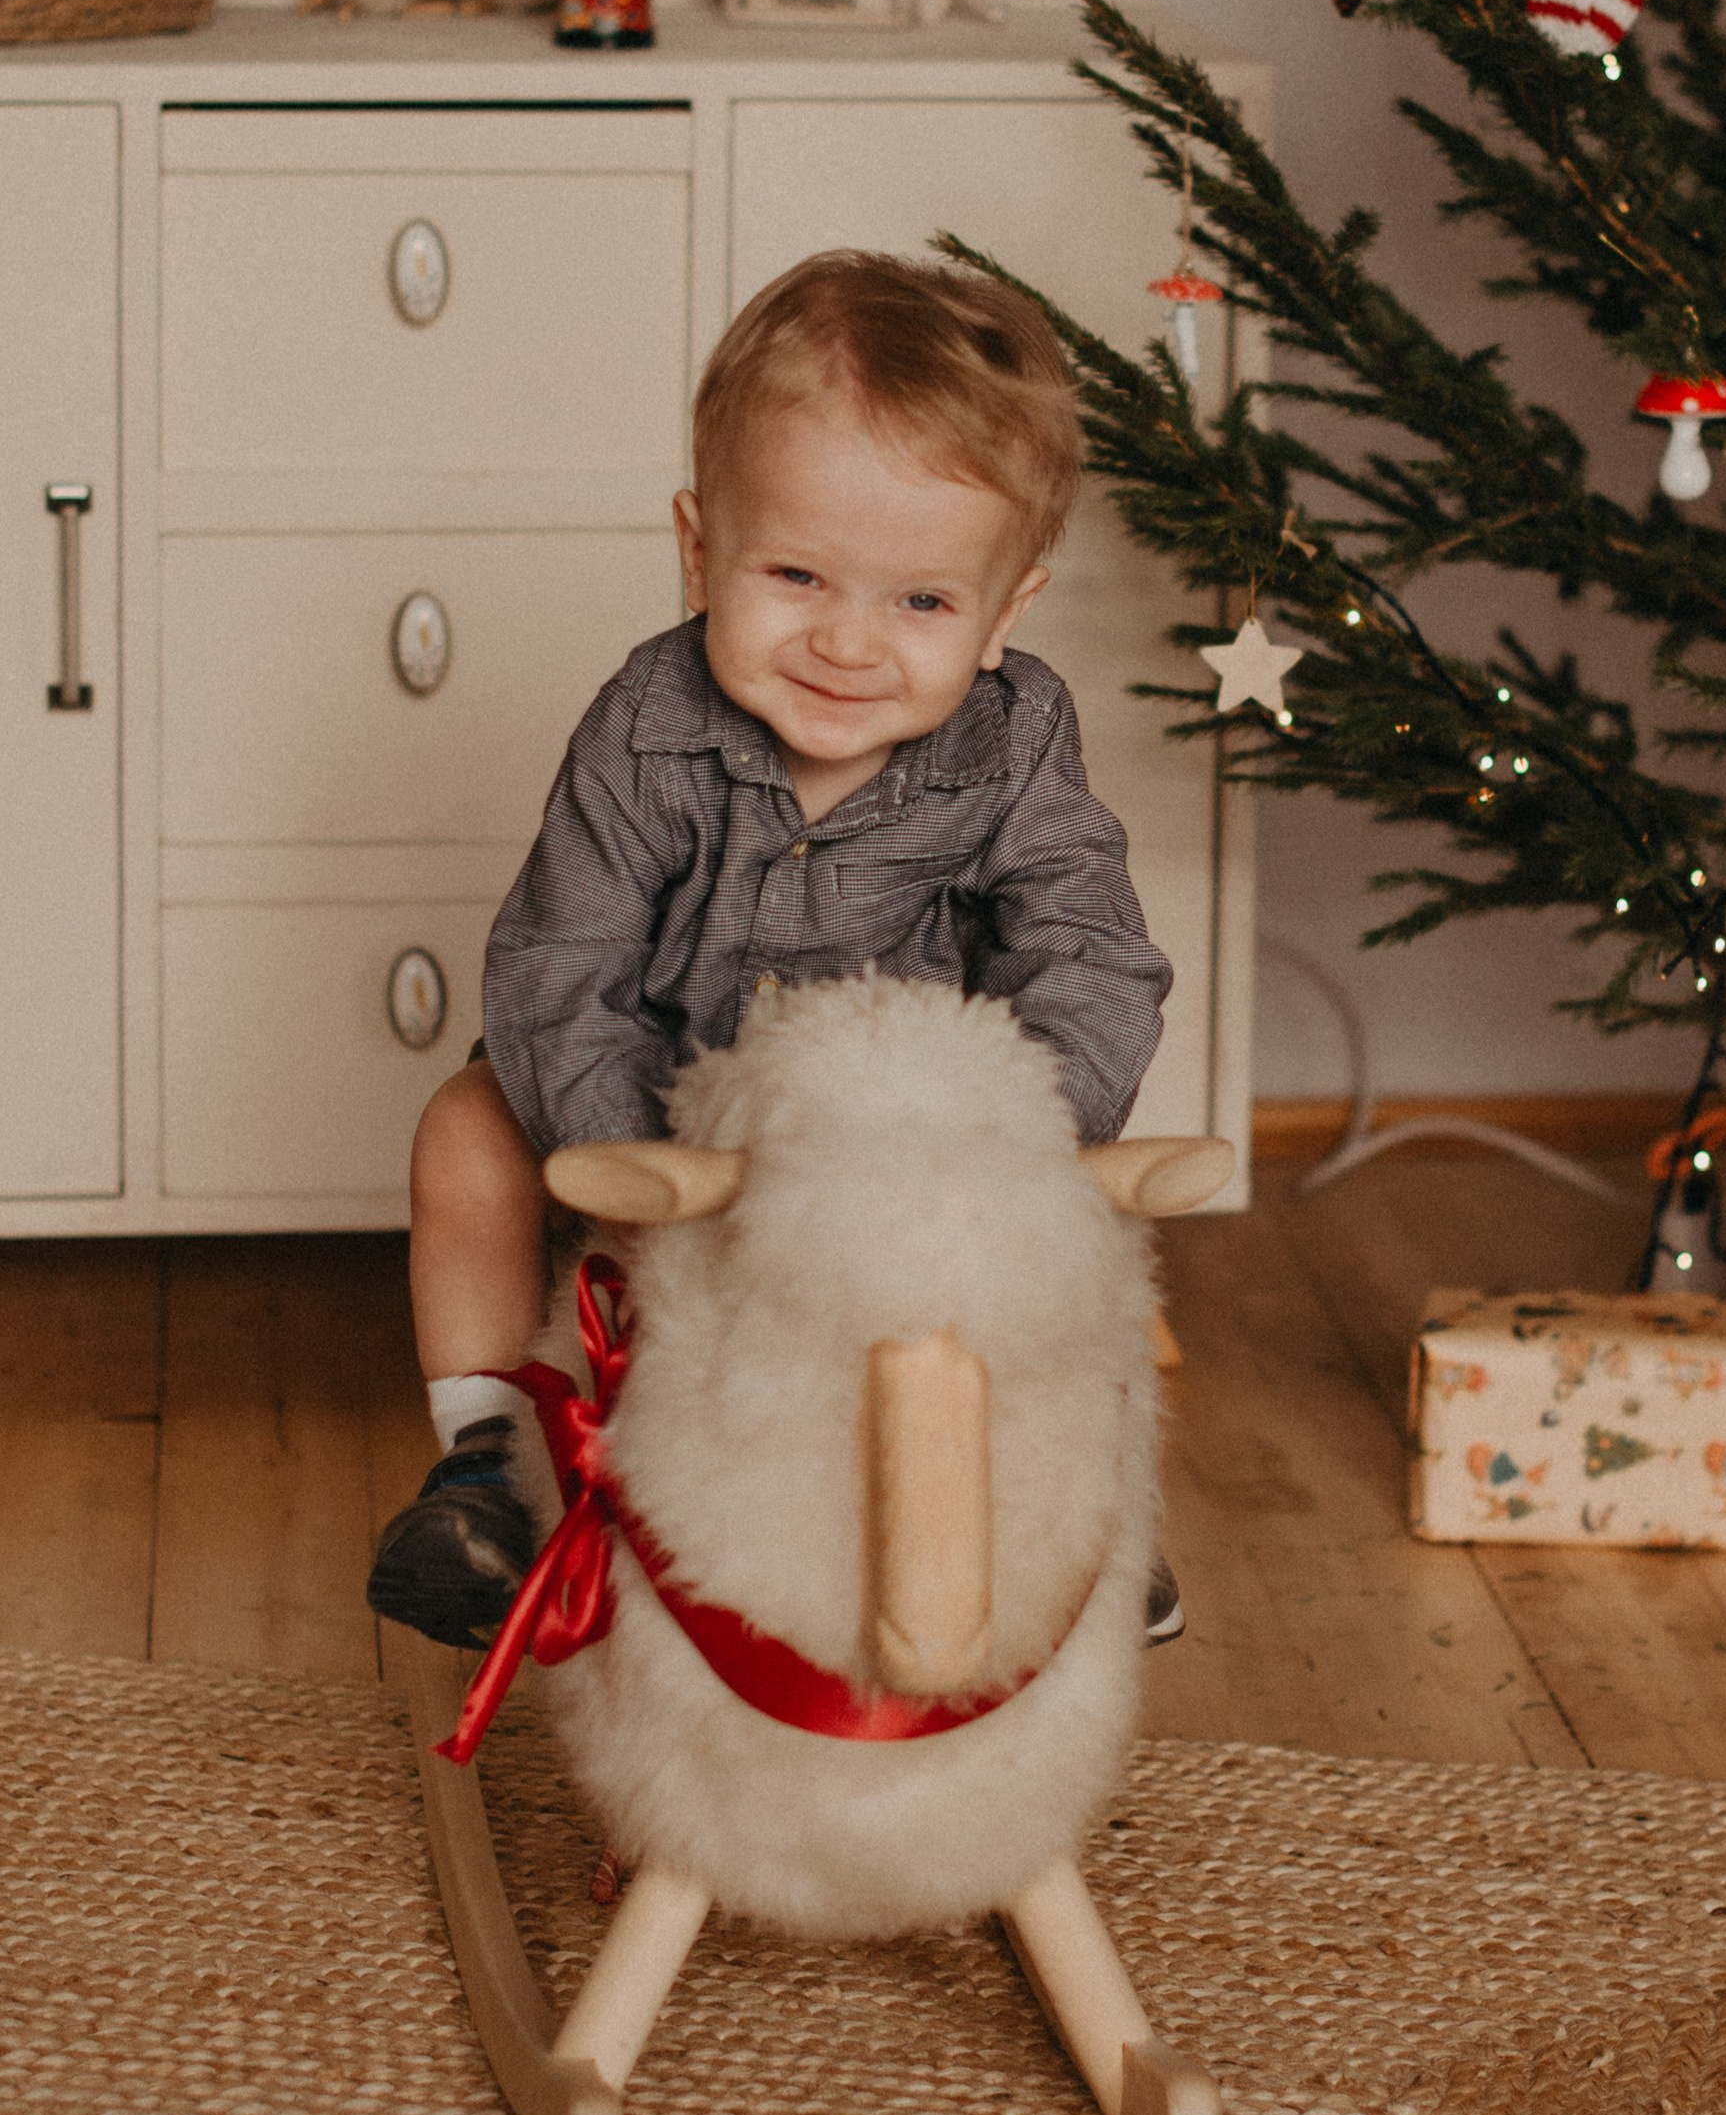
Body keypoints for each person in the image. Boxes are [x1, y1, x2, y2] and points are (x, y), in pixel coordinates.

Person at [367, 249, 1179, 1651]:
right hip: (651, 1121)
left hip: (893, 1144)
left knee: (1083, 1235)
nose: (847, 643)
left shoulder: (1015, 740)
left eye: (921, 603)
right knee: (461, 1132)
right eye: (796, 573)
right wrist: (637, 1172)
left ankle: (1066, 1512)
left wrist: (1011, 1137)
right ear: (699, 551)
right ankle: (490, 1465)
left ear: (1005, 614)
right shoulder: (648, 721)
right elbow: (563, 958)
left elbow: (1091, 948)